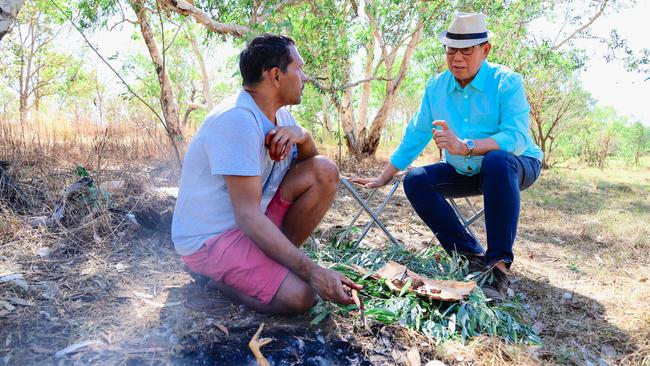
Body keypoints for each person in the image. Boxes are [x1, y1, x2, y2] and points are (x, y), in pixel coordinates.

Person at [351, 12, 543, 301]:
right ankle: (470, 255)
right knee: (416, 180)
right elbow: (416, 134)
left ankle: (498, 268)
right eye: (451, 50)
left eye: (466, 51)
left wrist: (465, 145)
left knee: (496, 160)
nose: (457, 59)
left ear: (485, 50)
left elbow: (516, 139)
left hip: (514, 164)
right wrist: (383, 175)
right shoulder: (436, 87)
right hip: (465, 168)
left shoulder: (506, 82)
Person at [172, 34, 361, 315]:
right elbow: (246, 216)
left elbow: (313, 167)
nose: (304, 77)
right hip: (211, 239)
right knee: (302, 296)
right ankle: (213, 280)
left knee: (325, 171)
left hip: (250, 224)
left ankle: (274, 263)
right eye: (299, 68)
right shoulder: (237, 119)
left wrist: (303, 136)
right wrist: (312, 272)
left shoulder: (281, 117)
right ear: (276, 75)